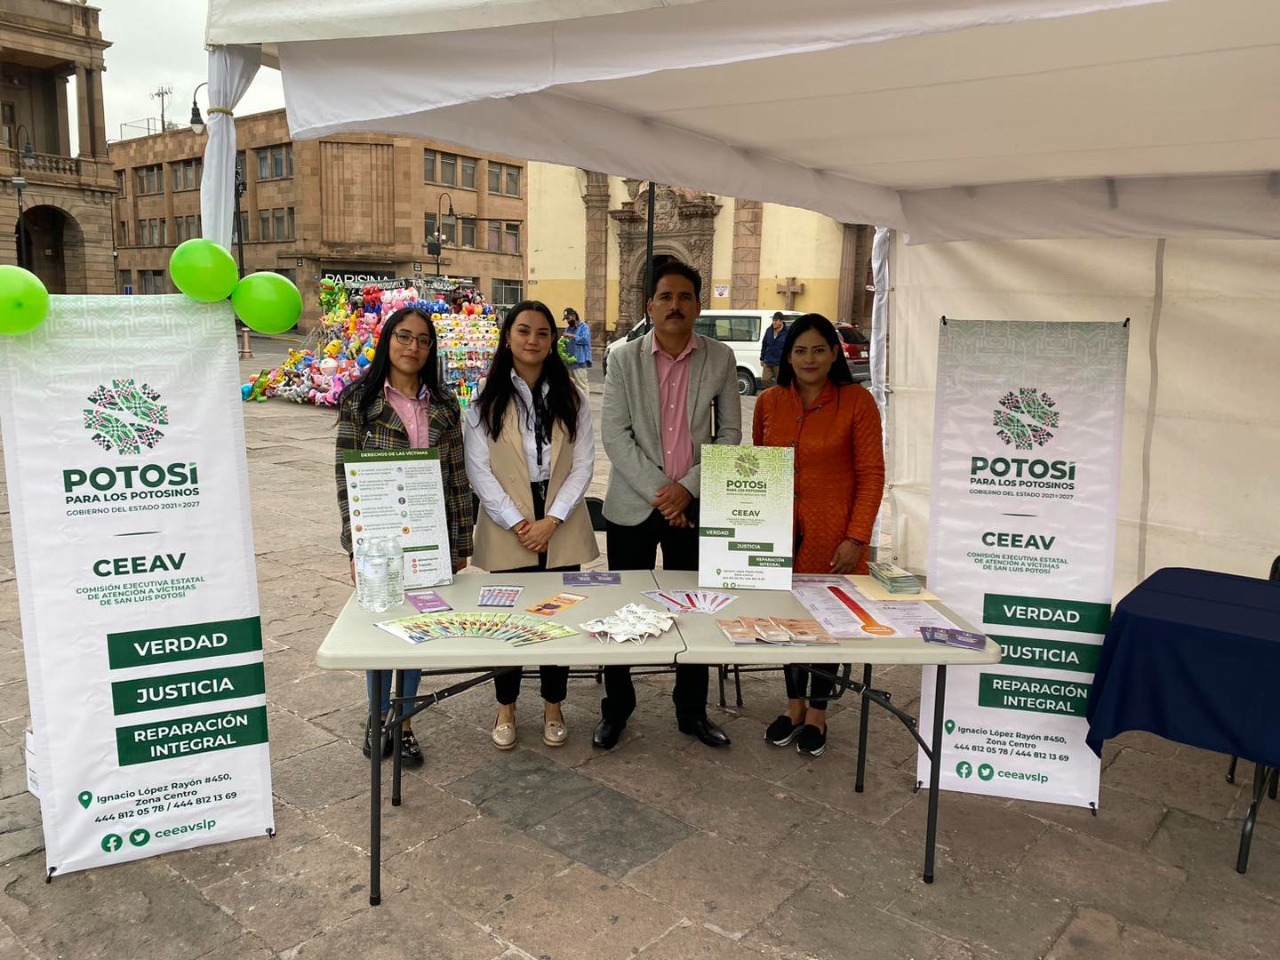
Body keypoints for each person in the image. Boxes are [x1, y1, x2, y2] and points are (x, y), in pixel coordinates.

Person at [596, 259, 742, 750]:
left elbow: (731, 434)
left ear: (698, 306)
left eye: (685, 297)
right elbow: (615, 436)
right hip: (633, 508)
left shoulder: (720, 358)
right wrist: (665, 494)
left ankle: (692, 710)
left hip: (695, 508)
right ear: (650, 306)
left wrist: (689, 490)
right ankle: (617, 708)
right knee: (622, 609)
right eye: (666, 297)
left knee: (695, 610)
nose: (675, 305)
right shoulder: (623, 358)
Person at [336, 305, 474, 767]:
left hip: (430, 536)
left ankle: (406, 722)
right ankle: (378, 718)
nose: (413, 347)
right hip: (378, 538)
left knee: (418, 629)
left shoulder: (445, 404)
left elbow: (457, 476)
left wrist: (461, 544)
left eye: (423, 340)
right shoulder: (360, 400)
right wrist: (355, 548)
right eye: (404, 336)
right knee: (382, 628)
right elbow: (344, 477)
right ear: (387, 340)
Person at [465, 300, 598, 750]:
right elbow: (479, 469)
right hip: (508, 517)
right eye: (523, 331)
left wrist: (552, 518)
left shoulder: (572, 396)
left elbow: (583, 464)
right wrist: (519, 522)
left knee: (557, 614)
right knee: (508, 617)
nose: (532, 340)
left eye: (542, 333)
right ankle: (505, 706)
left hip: (561, 514)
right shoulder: (485, 398)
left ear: (553, 341)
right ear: (508, 337)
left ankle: (553, 704)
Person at [752, 313, 885, 757]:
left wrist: (857, 538)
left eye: (818, 350)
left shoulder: (857, 402)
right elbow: (758, 467)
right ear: (788, 356)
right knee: (787, 623)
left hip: (835, 538)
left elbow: (871, 475)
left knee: (826, 626)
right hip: (777, 535)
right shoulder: (769, 402)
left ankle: (818, 713)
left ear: (833, 354)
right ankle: (793, 707)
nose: (808, 359)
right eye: (800, 350)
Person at [563, 308, 592, 392]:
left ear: (574, 316)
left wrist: (572, 336)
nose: (567, 321)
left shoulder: (584, 327)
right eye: (566, 319)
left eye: (568, 318)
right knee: (571, 387)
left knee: (582, 386)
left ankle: (584, 400)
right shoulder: (568, 329)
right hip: (569, 362)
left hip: (580, 361)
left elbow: (585, 340)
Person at [760, 311, 788, 388]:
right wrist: (762, 358)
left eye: (776, 320)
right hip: (768, 361)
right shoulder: (769, 330)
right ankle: (773, 391)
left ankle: (779, 392)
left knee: (780, 382)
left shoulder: (787, 332)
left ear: (781, 321)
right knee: (764, 379)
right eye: (773, 320)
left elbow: (789, 347)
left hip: (779, 362)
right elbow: (764, 344)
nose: (773, 322)